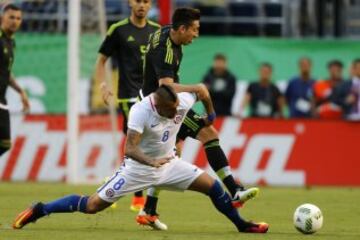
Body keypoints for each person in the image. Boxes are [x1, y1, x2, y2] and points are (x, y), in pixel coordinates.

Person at [12, 85, 269, 234]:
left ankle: (242, 226)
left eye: (179, 108)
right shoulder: (140, 112)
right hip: (137, 170)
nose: (177, 113)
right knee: (92, 206)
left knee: (212, 187)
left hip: (170, 165)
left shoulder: (179, 101)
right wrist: (150, 161)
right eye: (172, 110)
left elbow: (202, 90)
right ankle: (40, 209)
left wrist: (210, 116)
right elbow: (129, 148)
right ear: (158, 106)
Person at [139, 7, 259, 229]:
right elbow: (164, 87)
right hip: (160, 106)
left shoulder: (168, 33)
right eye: (194, 30)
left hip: (159, 102)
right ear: (182, 28)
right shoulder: (166, 51)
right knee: (209, 134)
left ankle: (149, 209)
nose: (196, 34)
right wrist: (196, 89)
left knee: (172, 152)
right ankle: (234, 190)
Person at [95, 0, 160, 212]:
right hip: (129, 96)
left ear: (150, 5)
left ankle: (115, 183)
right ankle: (138, 197)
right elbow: (101, 60)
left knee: (150, 144)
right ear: (129, 3)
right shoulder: (119, 29)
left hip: (153, 97)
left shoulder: (158, 31)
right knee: (136, 142)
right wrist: (103, 84)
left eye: (146, 1)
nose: (141, 5)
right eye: (137, 1)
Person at [0, 4, 30, 158]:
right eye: (11, 17)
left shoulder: (11, 42)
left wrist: (20, 91)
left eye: (18, 18)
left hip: (2, 97)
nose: (15, 21)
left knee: (5, 143)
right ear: (2, 18)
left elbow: (6, 71)